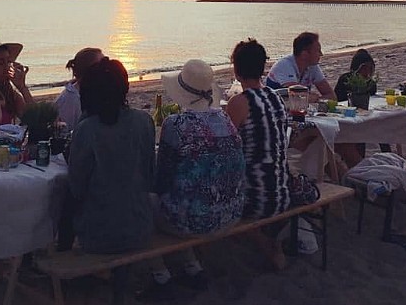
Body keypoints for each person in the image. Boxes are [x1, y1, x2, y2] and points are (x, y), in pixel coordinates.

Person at [140, 59, 245, 298]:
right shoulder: (226, 120)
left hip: (196, 221)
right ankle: (191, 266)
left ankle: (160, 273)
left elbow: (161, 180)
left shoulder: (176, 124)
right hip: (230, 213)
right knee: (188, 198)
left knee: (142, 200)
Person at [68, 58, 156, 254]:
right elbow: (150, 176)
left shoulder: (87, 129)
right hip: (141, 228)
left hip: (98, 236)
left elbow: (76, 187)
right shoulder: (144, 121)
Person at [225, 39, 291, 269]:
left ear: (236, 69)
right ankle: (273, 241)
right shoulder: (275, 97)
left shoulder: (238, 103)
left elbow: (225, 150)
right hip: (283, 192)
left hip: (257, 199)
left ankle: (266, 243)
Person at [333, 49, 386, 164]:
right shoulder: (346, 80)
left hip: (366, 113)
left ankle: (386, 153)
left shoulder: (370, 83)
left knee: (381, 124)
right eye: (364, 68)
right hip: (345, 115)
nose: (367, 72)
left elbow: (372, 97)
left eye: (370, 69)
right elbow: (337, 99)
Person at [265, 32, 337, 101]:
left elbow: (331, 96)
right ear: (304, 54)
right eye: (318, 51)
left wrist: (315, 99)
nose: (321, 54)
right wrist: (313, 98)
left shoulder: (312, 66)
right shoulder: (285, 65)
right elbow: (296, 97)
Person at [53, 47, 104, 131]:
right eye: (102, 64)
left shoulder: (95, 92)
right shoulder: (72, 99)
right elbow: (65, 132)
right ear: (90, 70)